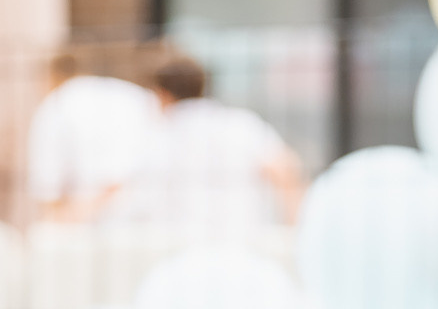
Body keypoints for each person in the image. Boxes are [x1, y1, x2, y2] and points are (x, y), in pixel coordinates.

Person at [106, 54, 306, 228]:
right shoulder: (241, 124)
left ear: (162, 94)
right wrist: (293, 228)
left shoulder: (154, 137)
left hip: (175, 248)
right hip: (242, 241)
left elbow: (117, 188)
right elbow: (284, 171)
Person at [24, 50, 160, 223]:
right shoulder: (132, 94)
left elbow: (47, 186)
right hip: (153, 215)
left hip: (93, 224)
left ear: (51, 76)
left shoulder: (55, 105)